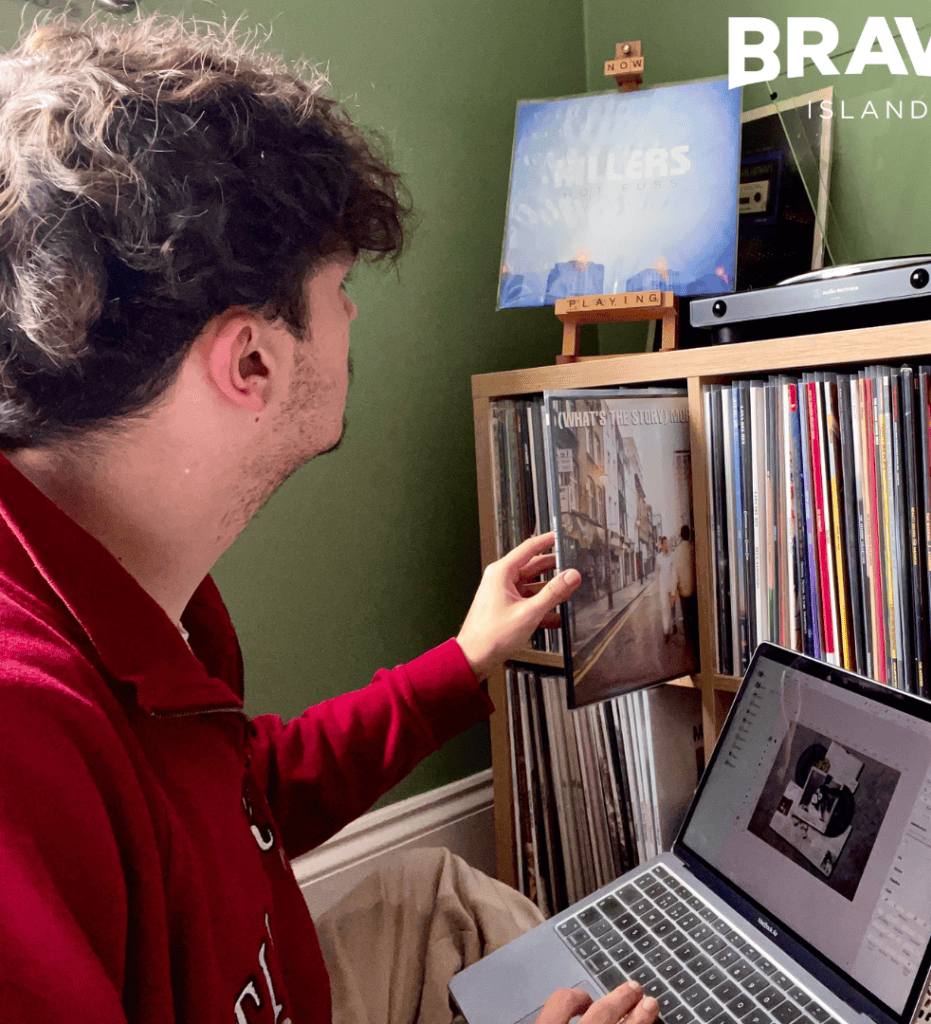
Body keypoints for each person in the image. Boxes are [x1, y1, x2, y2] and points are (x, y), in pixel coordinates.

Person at [0, 14, 660, 1024]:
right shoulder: (25, 742)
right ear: (251, 361)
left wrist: (461, 662)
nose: (351, 317)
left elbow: (238, 797)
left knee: (435, 894)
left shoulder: (142, 587)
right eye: (339, 288)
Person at [655, 535, 676, 640]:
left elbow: (674, 572)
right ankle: (666, 631)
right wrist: (658, 588)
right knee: (665, 609)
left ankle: (674, 622)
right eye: (664, 543)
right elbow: (657, 574)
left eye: (667, 543)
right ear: (661, 545)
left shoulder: (672, 555)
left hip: (671, 587)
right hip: (663, 588)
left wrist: (674, 591)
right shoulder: (658, 558)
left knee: (672, 608)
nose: (666, 545)